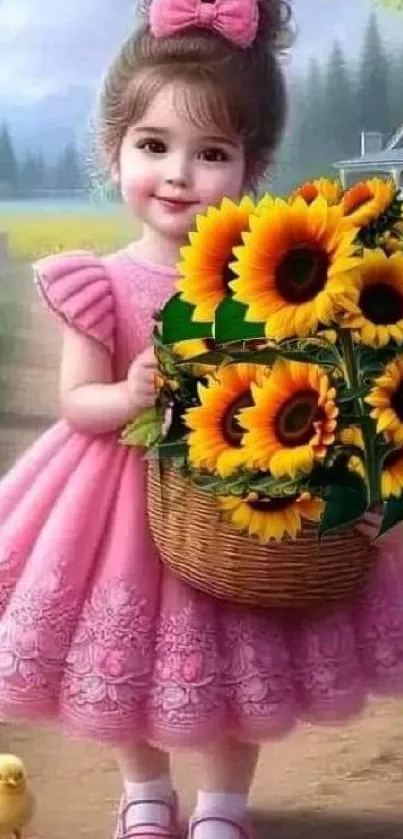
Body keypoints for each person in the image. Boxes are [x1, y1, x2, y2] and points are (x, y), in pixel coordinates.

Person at [0, 1, 402, 837]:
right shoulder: (97, 281)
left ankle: (223, 804)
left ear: (249, 169)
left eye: (210, 153)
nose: (179, 174)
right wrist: (133, 392)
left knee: (236, 654)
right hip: (116, 496)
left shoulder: (273, 278)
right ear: (113, 152)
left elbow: (315, 381)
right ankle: (145, 788)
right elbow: (79, 401)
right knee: (127, 660)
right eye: (154, 146)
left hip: (236, 498)